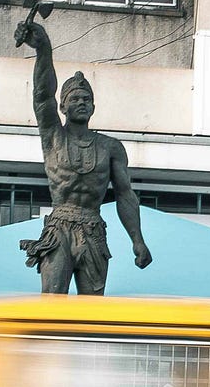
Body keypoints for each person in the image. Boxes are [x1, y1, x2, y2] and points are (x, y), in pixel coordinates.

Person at [14, 19, 152, 294]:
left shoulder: (111, 147)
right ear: (63, 105)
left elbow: (125, 194)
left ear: (93, 106)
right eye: (74, 98)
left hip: (93, 227)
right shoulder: (53, 136)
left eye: (86, 99)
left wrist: (137, 240)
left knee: (93, 307)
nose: (81, 103)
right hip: (59, 227)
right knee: (52, 302)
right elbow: (42, 96)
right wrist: (44, 49)